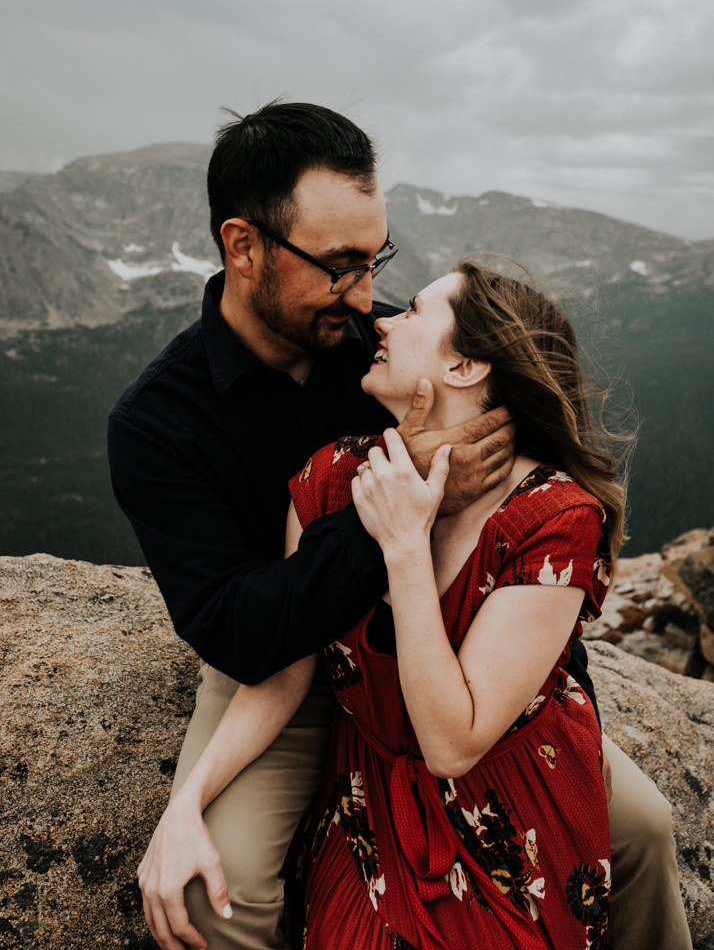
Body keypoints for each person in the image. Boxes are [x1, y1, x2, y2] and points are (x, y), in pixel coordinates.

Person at [108, 102, 691, 950]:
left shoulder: (384, 351)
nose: (366, 299)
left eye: (375, 259)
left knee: (642, 827)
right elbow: (240, 629)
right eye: (340, 265)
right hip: (280, 652)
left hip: (440, 647)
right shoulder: (159, 423)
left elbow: (526, 532)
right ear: (243, 248)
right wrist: (401, 510)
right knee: (208, 894)